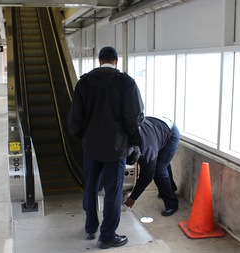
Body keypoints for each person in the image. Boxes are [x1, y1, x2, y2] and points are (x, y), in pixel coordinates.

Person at [67, 46, 144, 249]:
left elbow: (75, 119)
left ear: (100, 60)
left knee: (90, 188)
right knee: (113, 192)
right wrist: (135, 141)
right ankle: (107, 235)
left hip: (91, 147)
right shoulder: (126, 83)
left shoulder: (84, 83)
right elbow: (134, 117)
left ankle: (90, 227)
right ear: (116, 61)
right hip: (116, 149)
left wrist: (85, 138)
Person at [125, 116, 180, 216]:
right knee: (162, 163)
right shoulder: (125, 141)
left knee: (159, 170)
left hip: (171, 133)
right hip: (156, 127)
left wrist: (133, 197)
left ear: (140, 154)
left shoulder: (147, 151)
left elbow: (146, 177)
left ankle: (172, 204)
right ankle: (170, 189)